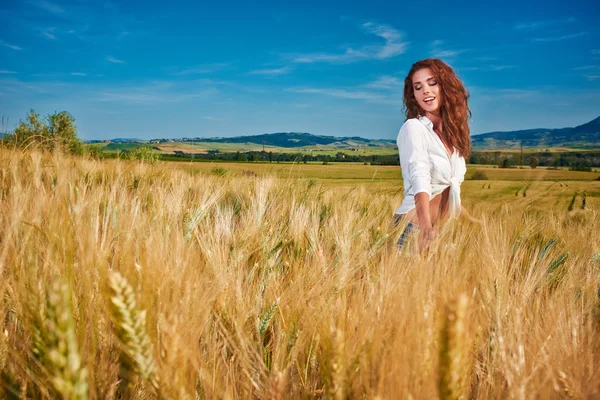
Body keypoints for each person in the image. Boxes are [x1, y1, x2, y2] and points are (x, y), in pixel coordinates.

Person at [393, 58, 480, 252]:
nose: (425, 90)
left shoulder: (453, 136)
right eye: (418, 87)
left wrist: (475, 224)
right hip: (415, 231)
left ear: (446, 87)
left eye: (432, 83)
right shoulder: (414, 128)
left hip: (442, 234)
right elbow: (419, 177)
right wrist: (426, 227)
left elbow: (450, 193)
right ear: (413, 95)